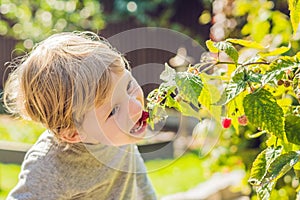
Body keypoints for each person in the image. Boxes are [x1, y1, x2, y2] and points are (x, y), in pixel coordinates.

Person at [3, 31, 157, 200]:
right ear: (74, 133)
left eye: (128, 85)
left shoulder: (119, 134)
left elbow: (138, 177)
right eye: (113, 110)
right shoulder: (48, 167)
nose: (135, 107)